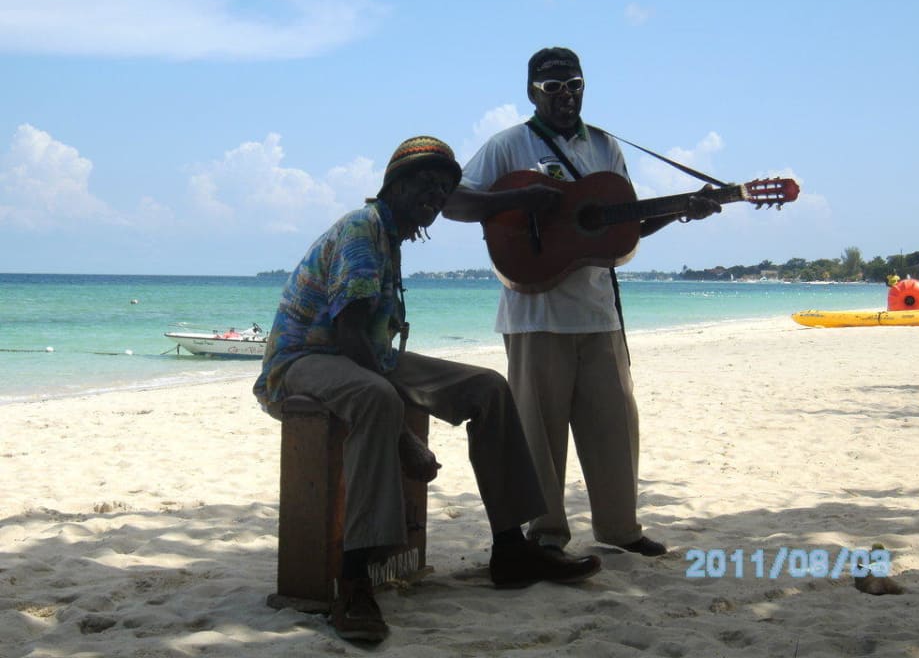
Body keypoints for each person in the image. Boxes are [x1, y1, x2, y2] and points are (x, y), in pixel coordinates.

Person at [253, 136, 601, 644]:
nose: (435, 197)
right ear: (394, 184)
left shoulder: (391, 237)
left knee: (487, 387)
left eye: (444, 189)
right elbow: (349, 335)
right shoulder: (361, 230)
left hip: (358, 354)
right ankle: (353, 579)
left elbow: (368, 342)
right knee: (376, 397)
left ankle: (510, 547)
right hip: (303, 359)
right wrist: (404, 440)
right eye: (425, 183)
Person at [443, 48, 721, 559]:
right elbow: (453, 201)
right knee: (538, 435)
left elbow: (623, 224)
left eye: (574, 83)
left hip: (598, 314)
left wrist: (685, 209)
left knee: (615, 425)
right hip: (536, 315)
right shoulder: (508, 146)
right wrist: (517, 201)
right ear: (532, 92)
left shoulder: (606, 147)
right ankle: (546, 534)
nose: (566, 94)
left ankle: (619, 528)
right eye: (553, 87)